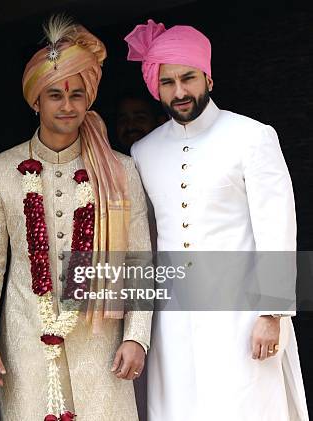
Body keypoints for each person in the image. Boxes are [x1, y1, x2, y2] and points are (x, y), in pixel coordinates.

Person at [0, 15, 152, 420]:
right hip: (25, 339)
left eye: (76, 94)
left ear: (88, 98)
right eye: (55, 95)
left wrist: (137, 338)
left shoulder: (119, 170)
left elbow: (139, 259)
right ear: (35, 100)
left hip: (100, 343)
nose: (67, 106)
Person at [125, 19, 308, 420]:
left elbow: (277, 226)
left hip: (242, 315)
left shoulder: (252, 136)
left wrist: (272, 314)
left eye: (188, 78)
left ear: (208, 76)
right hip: (173, 318)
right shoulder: (144, 151)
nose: (180, 92)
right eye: (168, 82)